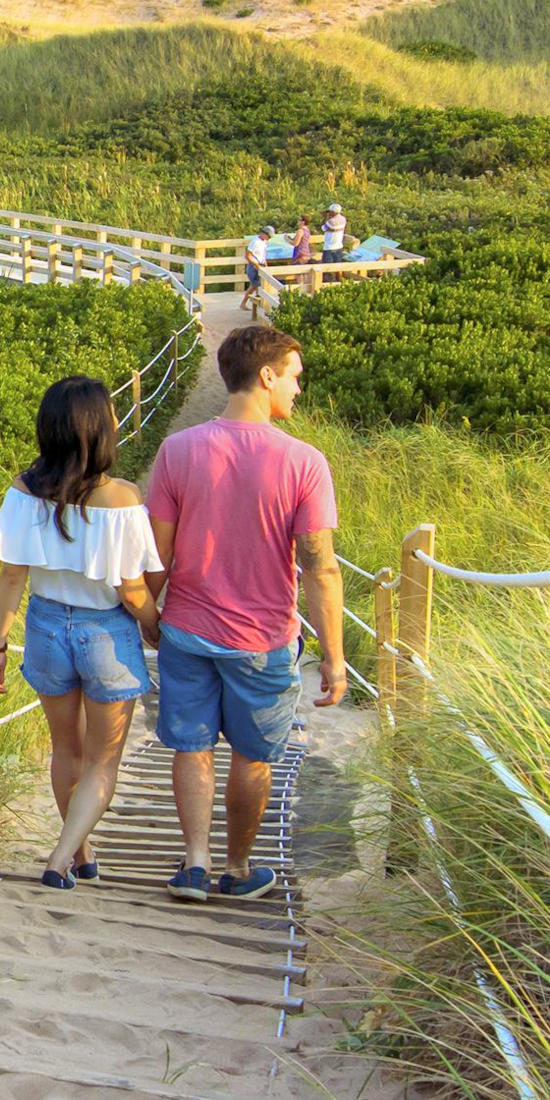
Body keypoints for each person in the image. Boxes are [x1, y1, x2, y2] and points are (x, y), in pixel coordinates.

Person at [140, 325, 345, 903]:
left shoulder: (177, 449)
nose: (299, 389)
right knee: (254, 755)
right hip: (263, 640)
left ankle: (195, 865)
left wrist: (150, 616)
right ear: (267, 375)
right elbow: (319, 567)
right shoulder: (305, 463)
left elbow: (159, 552)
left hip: (187, 630)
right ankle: (237, 867)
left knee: (192, 745)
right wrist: (334, 656)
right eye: (296, 376)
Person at [0, 376, 164, 891]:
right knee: (104, 761)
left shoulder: (21, 491)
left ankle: (83, 854)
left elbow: (12, 575)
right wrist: (154, 625)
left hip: (44, 625)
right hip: (104, 632)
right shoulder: (123, 498)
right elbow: (132, 590)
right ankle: (62, 857)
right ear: (101, 429)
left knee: (67, 749)